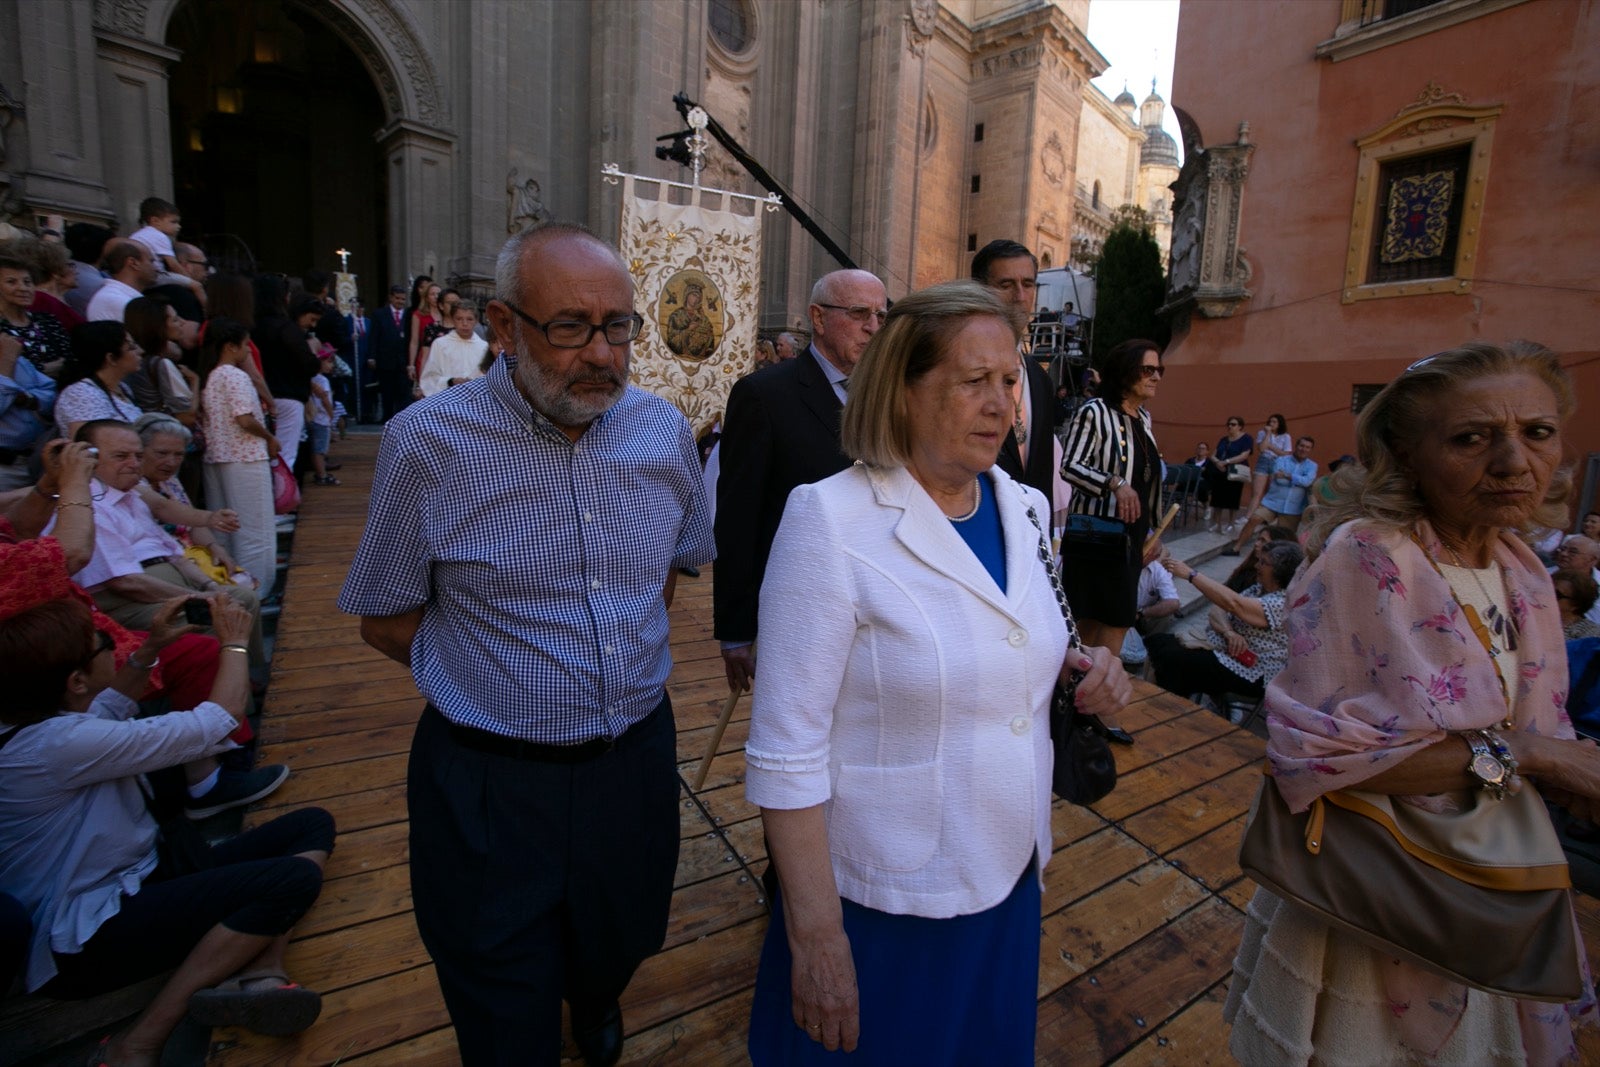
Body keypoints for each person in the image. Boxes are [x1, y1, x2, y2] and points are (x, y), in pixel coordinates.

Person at [339, 224, 714, 1067]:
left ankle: (597, 991)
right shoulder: (427, 446)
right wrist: (503, 677)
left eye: (619, 325)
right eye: (572, 326)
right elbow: (384, 618)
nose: (604, 354)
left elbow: (665, 572)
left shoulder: (661, 434)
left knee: (620, 931)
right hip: (489, 785)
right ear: (504, 329)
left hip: (633, 765)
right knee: (501, 1008)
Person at [743, 280, 1131, 1065]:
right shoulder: (830, 518)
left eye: (1010, 381)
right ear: (905, 389)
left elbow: (1020, 632)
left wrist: (1088, 666)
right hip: (888, 897)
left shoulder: (1021, 505)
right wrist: (814, 937)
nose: (1001, 404)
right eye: (972, 381)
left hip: (1010, 868)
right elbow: (786, 754)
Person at [1226, 340, 1600, 1063]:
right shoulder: (1368, 555)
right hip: (1373, 892)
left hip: (1489, 882)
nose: (1515, 460)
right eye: (1471, 437)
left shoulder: (1521, 569)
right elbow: (1315, 759)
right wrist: (1529, 755)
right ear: (1408, 452)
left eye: (1538, 431)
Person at [0, 593, 333, 1067]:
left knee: (311, 825)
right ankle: (137, 1041)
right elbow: (219, 719)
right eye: (101, 644)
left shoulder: (43, 722)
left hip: (143, 875)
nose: (111, 643)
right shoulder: (59, 745)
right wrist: (234, 643)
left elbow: (112, 705)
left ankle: (258, 962)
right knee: (293, 881)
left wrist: (149, 648)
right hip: (85, 939)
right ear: (75, 681)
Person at [714, 268, 884, 693]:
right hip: (798, 608)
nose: (874, 327)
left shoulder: (890, 396)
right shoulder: (764, 395)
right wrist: (736, 629)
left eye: (882, 315)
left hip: (882, 609)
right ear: (819, 317)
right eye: (860, 312)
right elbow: (739, 517)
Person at [1059, 338, 1165, 656]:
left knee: (1116, 617)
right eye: (1148, 369)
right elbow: (1070, 466)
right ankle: (1075, 693)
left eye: (1160, 369)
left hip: (1130, 536)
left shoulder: (1143, 418)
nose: (1156, 376)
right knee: (1088, 623)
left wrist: (1153, 530)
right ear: (1125, 371)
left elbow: (1147, 482)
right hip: (1096, 536)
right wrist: (1114, 483)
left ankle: (1092, 693)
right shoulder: (1094, 412)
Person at [1150, 541, 1303, 716]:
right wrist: (1228, 632)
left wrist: (1191, 575)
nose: (1256, 565)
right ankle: (1167, 709)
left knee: (1173, 658)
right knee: (1161, 643)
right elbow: (1219, 608)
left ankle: (1165, 712)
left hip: (1253, 671)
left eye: (1263, 563)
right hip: (1225, 652)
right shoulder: (1258, 589)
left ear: (1279, 571)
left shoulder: (1281, 603)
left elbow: (1233, 604)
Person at [971, 239, 1056, 504]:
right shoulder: (957, 369)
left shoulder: (1041, 379)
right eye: (1005, 285)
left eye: (1028, 284)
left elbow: (1042, 473)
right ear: (979, 290)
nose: (1020, 296)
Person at [199, 318, 280, 592]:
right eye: (245, 346)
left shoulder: (211, 376)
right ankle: (259, 588)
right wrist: (270, 438)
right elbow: (244, 419)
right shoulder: (235, 375)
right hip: (245, 456)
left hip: (218, 456)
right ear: (232, 346)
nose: (247, 352)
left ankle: (234, 583)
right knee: (254, 529)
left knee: (226, 527)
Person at [1227, 435, 1318, 554]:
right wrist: (1299, 479)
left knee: (1285, 536)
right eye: (1301, 445)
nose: (1303, 449)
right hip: (1272, 502)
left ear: (1310, 450)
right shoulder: (1281, 460)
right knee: (1254, 519)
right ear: (1296, 446)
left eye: (1307, 447)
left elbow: (1308, 482)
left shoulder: (1312, 465)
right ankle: (1236, 548)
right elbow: (1279, 480)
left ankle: (1275, 559)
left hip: (1293, 507)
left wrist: (1287, 475)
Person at [54, 321, 144, 437]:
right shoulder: (81, 395)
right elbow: (88, 446)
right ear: (111, 358)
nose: (141, 351)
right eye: (131, 348)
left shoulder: (122, 387)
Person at [0, 250, 73, 372]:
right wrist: (44, 368)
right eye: (11, 282)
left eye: (27, 282)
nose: (23, 288)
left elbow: (70, 360)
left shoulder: (48, 320)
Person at [0, 333, 55, 491]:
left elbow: (51, 392)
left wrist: (28, 399)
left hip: (36, 460)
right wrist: (5, 365)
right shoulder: (8, 356)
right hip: (4, 467)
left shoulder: (14, 358)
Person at [1119, 557, 1182, 673]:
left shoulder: (1156, 569)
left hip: (1141, 616)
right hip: (1119, 616)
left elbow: (1173, 602)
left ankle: (1151, 649)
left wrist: (1141, 613)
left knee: (1165, 615)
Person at [417, 301, 489, 396]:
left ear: (476, 321)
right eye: (459, 319)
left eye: (469, 319)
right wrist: (450, 381)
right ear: (452, 320)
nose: (464, 323)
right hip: (447, 398)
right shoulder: (440, 344)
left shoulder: (484, 347)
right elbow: (430, 378)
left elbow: (488, 377)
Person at [85, 241, 157, 323]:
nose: (156, 268)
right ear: (133, 263)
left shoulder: (119, 297)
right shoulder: (119, 301)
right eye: (151, 261)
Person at [1203, 415, 1252, 532]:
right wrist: (1218, 462)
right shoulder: (1223, 440)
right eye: (1229, 424)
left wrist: (1226, 462)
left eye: (1233, 424)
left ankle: (1231, 523)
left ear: (1240, 426)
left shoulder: (1246, 438)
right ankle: (1217, 523)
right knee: (1217, 498)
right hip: (1220, 471)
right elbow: (1214, 454)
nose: (1230, 426)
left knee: (1233, 498)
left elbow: (1244, 455)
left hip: (1235, 470)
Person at [1246, 413, 1291, 517]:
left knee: (1271, 491)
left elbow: (1285, 454)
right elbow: (1261, 449)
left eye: (1274, 422)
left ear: (1280, 424)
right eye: (1270, 421)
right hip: (1263, 461)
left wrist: (1270, 446)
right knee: (1257, 492)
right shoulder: (1262, 433)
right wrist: (1268, 434)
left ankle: (1265, 516)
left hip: (1277, 462)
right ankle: (1248, 516)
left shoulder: (1286, 436)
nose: (1271, 424)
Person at [305, 349, 339, 484]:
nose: (331, 366)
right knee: (319, 449)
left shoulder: (311, 379)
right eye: (329, 362)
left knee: (315, 447)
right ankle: (322, 475)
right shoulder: (322, 380)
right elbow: (325, 399)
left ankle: (320, 472)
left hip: (312, 418)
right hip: (321, 419)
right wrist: (331, 414)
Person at [127, 196, 184, 274]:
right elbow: (173, 265)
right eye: (173, 222)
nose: (178, 226)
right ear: (155, 221)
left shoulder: (139, 234)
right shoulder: (160, 237)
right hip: (153, 274)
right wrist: (190, 281)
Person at [1554, 568, 1600, 640]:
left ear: (1575, 604)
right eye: (1548, 590)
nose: (1549, 596)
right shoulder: (1533, 620)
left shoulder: (1590, 635)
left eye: (1556, 594)